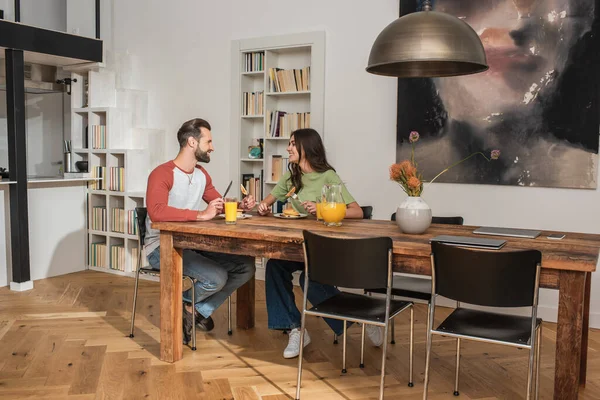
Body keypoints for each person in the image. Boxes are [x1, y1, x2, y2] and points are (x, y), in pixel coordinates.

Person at [257, 128, 383, 359]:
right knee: (274, 266)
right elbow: (268, 200)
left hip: (323, 247)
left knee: (310, 280)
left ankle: (361, 318)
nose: (288, 148)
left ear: (307, 146)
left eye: (293, 143)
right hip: (296, 245)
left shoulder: (328, 177)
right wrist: (263, 206)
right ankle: (295, 329)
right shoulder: (292, 176)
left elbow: (357, 212)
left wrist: (323, 210)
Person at [145, 118, 256, 343]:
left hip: (191, 243)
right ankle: (191, 310)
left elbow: (217, 203)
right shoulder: (162, 173)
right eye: (209, 141)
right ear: (192, 142)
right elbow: (157, 212)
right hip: (162, 246)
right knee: (216, 277)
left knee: (246, 266)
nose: (212, 147)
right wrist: (200, 215)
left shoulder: (201, 174)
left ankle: (192, 309)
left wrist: (238, 206)